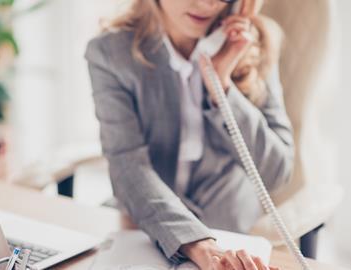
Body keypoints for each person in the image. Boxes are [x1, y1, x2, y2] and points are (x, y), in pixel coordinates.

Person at [85, 0, 294, 269]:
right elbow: (127, 166)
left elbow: (277, 172)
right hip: (147, 229)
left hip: (230, 231)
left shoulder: (253, 43)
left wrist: (222, 87)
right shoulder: (110, 53)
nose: (207, 3)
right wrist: (198, 244)